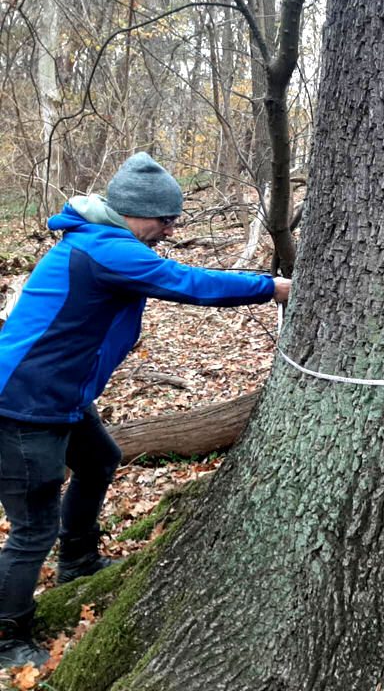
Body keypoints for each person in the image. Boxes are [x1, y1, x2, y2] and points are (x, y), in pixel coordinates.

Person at [0, 152, 291, 668]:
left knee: (98, 459)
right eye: (165, 219)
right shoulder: (108, 249)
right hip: (22, 405)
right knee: (30, 529)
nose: (169, 230)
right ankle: (7, 637)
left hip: (58, 396)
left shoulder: (102, 242)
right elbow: (188, 283)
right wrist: (270, 287)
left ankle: (78, 560)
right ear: (136, 212)